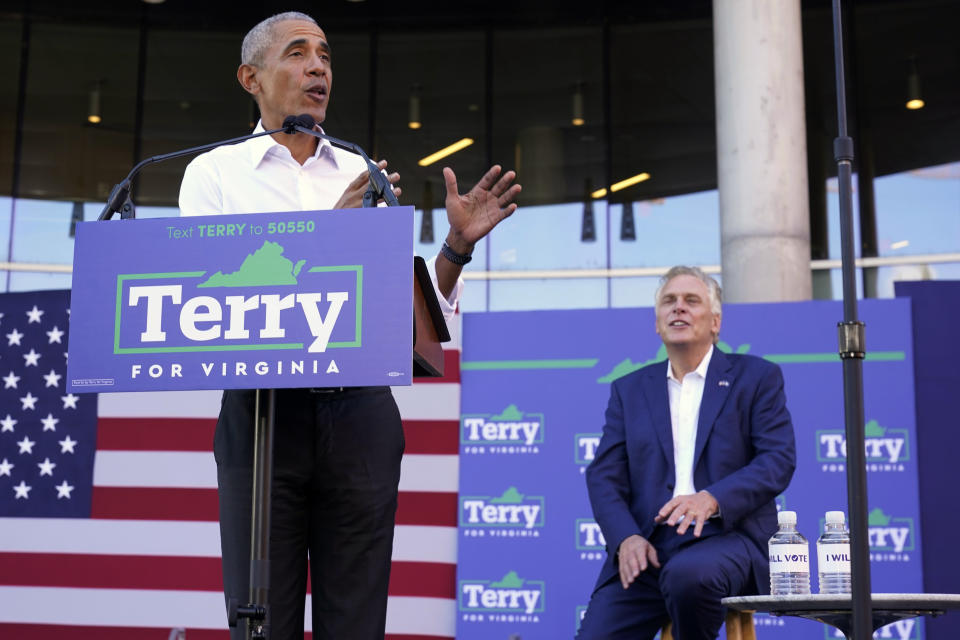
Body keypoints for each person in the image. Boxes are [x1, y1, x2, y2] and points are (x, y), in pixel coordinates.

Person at [178, 11, 521, 640]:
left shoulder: (362, 172)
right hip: (262, 418)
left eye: (326, 57)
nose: (318, 67)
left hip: (360, 415)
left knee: (357, 619)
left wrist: (454, 251)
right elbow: (214, 309)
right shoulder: (212, 175)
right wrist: (331, 236)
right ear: (250, 78)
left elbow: (409, 319)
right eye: (298, 53)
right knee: (261, 621)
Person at [577, 266, 796, 640]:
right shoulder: (629, 390)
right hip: (647, 549)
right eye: (669, 302)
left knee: (688, 577)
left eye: (691, 301)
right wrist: (626, 538)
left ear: (715, 322)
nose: (678, 308)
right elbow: (604, 476)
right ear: (657, 324)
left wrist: (712, 499)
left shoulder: (756, 378)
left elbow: (777, 459)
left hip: (729, 539)